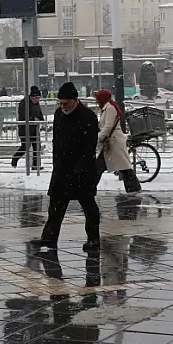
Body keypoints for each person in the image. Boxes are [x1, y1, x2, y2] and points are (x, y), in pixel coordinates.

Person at [32, 82, 102, 251]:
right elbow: (57, 142)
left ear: (75, 100)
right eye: (60, 103)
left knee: (88, 204)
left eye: (66, 103)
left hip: (82, 169)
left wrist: (80, 167)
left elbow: (89, 146)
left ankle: (93, 238)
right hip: (62, 167)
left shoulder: (87, 117)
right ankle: (49, 237)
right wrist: (57, 164)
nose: (63, 106)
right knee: (55, 204)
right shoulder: (59, 114)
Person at [95, 88, 140, 193]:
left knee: (102, 167)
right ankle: (134, 189)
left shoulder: (110, 108)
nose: (96, 101)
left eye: (98, 98)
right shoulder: (107, 107)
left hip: (114, 143)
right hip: (111, 143)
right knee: (122, 168)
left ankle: (89, 189)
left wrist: (98, 138)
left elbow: (108, 127)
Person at [11, 86, 44, 172]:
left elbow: (40, 113)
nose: (37, 100)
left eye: (39, 98)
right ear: (31, 96)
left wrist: (41, 120)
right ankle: (15, 158)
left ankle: (35, 165)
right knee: (25, 146)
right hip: (24, 129)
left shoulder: (36, 104)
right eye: (36, 98)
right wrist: (33, 119)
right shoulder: (24, 103)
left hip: (34, 129)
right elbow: (23, 115)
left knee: (37, 146)